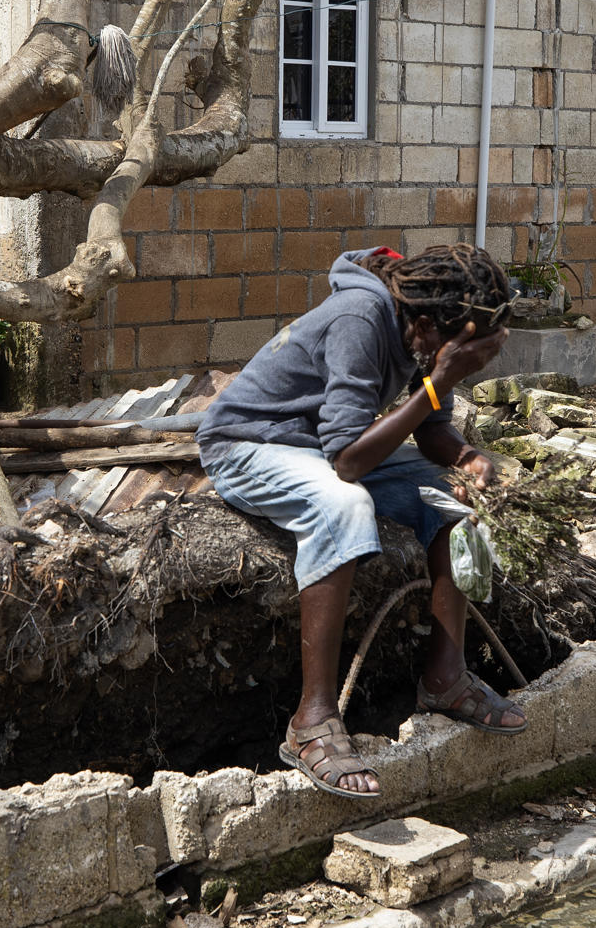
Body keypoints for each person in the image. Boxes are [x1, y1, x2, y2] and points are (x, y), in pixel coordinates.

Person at [197, 242, 526, 799]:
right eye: (456, 351)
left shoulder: (418, 332)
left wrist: (467, 458)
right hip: (249, 446)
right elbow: (348, 460)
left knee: (458, 500)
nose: (454, 362)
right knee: (343, 505)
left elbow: (429, 428)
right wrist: (436, 382)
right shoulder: (361, 317)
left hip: (315, 448)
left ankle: (445, 679)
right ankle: (311, 721)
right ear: (424, 325)